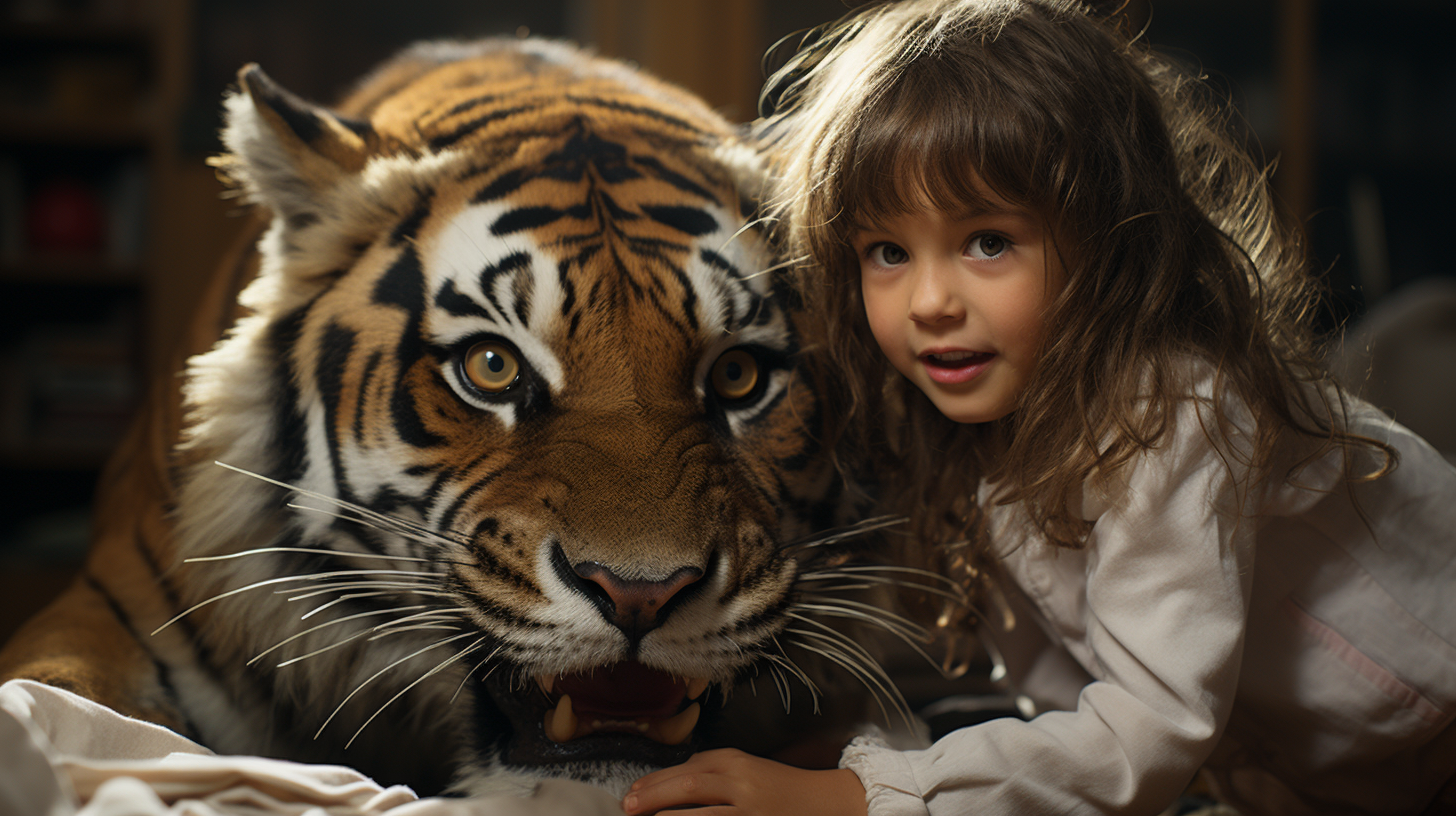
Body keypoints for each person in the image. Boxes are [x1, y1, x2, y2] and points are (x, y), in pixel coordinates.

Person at [621, 0, 1456, 814]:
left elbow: (1145, 732)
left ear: (1111, 241)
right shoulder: (974, 431)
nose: (929, 302)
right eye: (887, 251)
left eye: (988, 241)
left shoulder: (1176, 407)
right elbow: (1067, 718)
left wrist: (857, 795)